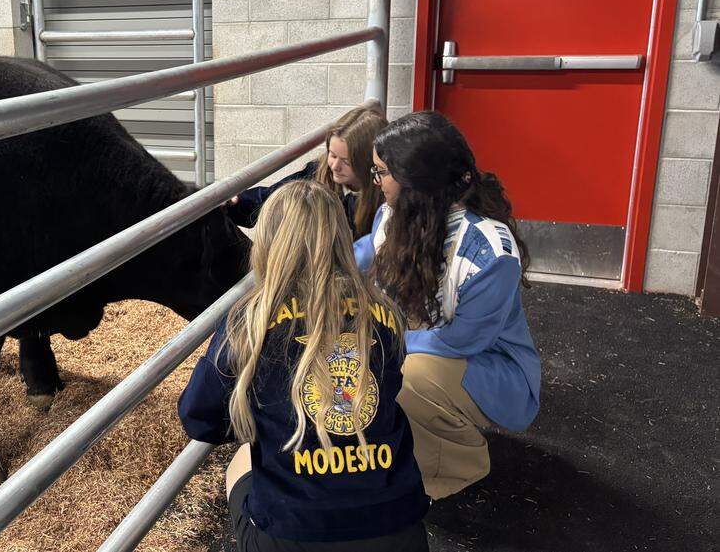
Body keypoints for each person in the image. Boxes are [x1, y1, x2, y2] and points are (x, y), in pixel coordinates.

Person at [180, 180, 429, 552]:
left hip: (293, 534)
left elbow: (199, 418)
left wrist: (264, 416)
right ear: (341, 238)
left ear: (269, 244)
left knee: (242, 461)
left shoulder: (249, 322)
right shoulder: (385, 312)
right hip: (398, 525)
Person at [355, 110, 541, 500]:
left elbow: (459, 341)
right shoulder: (393, 215)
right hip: (427, 349)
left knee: (404, 373)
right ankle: (408, 445)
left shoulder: (491, 253)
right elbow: (361, 258)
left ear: (414, 183)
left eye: (381, 173)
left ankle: (453, 468)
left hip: (491, 369)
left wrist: (380, 344)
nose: (376, 183)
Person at [227, 106, 387, 237]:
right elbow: (274, 197)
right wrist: (237, 202)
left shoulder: (386, 193)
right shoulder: (318, 172)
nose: (335, 166)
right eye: (332, 155)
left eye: (346, 161)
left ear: (367, 161)